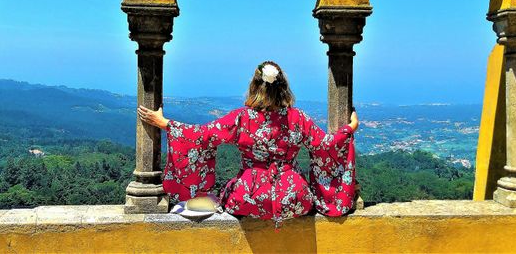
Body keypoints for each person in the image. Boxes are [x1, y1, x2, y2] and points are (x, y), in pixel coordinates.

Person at [137, 61, 359, 228]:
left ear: (254, 86)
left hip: (248, 196)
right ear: (284, 88)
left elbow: (201, 136)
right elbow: (326, 145)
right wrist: (349, 129)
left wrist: (164, 123)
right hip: (294, 198)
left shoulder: (242, 118)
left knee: (211, 200)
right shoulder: (297, 118)